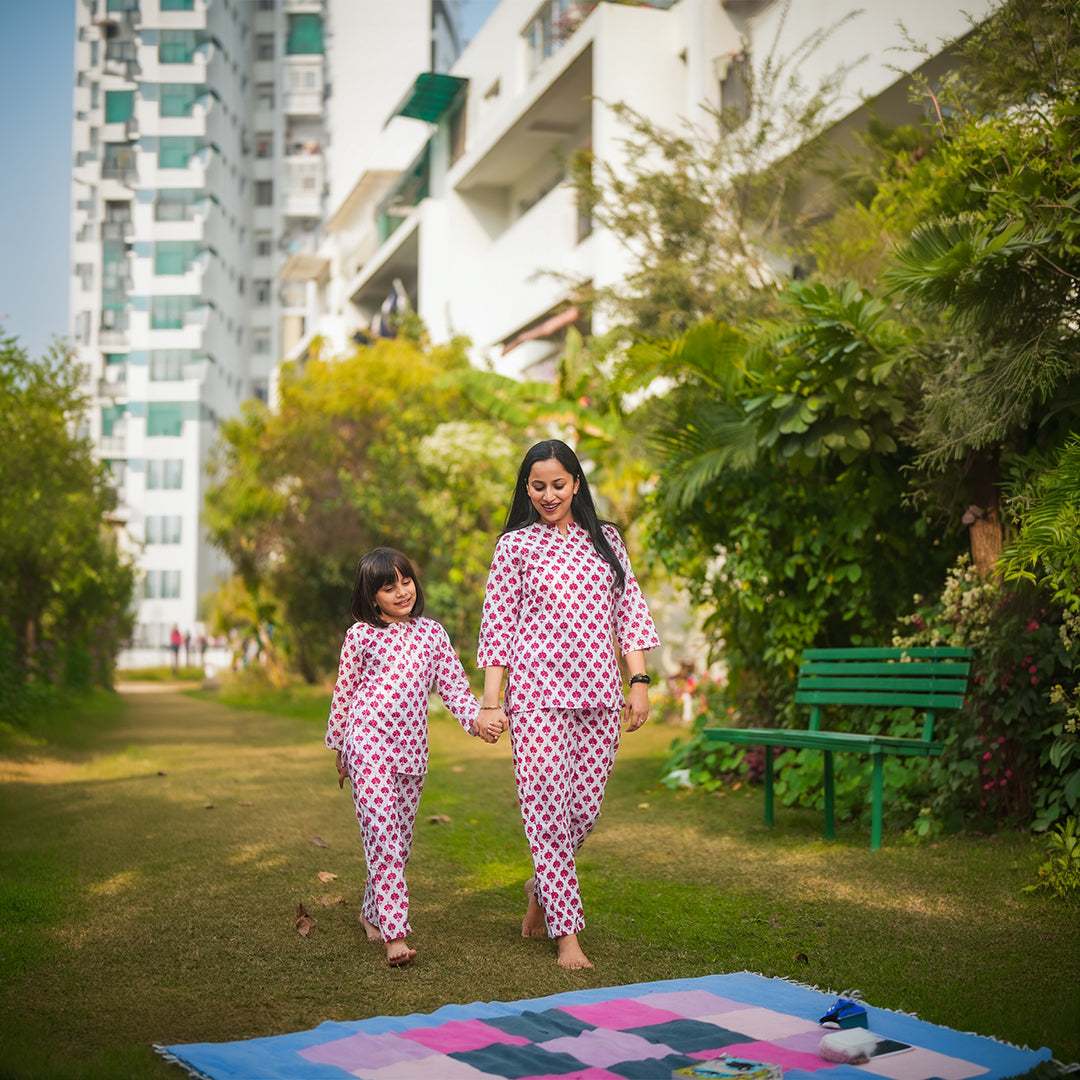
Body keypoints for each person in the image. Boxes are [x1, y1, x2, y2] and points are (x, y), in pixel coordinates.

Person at [478, 439, 660, 970]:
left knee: (581, 812)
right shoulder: (514, 547)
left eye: (559, 484)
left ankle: (542, 887)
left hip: (599, 696)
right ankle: (568, 936)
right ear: (526, 489)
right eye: (538, 486)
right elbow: (497, 628)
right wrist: (493, 704)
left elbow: (631, 611)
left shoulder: (607, 541)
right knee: (545, 813)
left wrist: (640, 680)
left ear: (576, 483)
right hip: (536, 698)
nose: (549, 494)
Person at [326, 547, 501, 967]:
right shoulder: (360, 636)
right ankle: (395, 935)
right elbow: (344, 693)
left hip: (411, 752)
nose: (402, 592)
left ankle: (372, 912)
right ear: (373, 597)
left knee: (396, 845)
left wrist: (478, 720)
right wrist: (340, 748)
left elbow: (455, 688)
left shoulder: (432, 634)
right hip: (367, 743)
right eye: (390, 587)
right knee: (383, 837)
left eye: (406, 582)